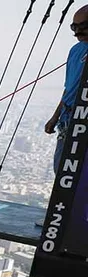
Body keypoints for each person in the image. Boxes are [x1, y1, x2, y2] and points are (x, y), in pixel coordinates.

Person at [45, 5, 88, 174]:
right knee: (62, 171)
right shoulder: (75, 51)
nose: (77, 32)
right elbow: (68, 88)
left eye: (82, 26)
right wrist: (55, 117)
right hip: (68, 118)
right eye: (74, 27)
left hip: (83, 117)